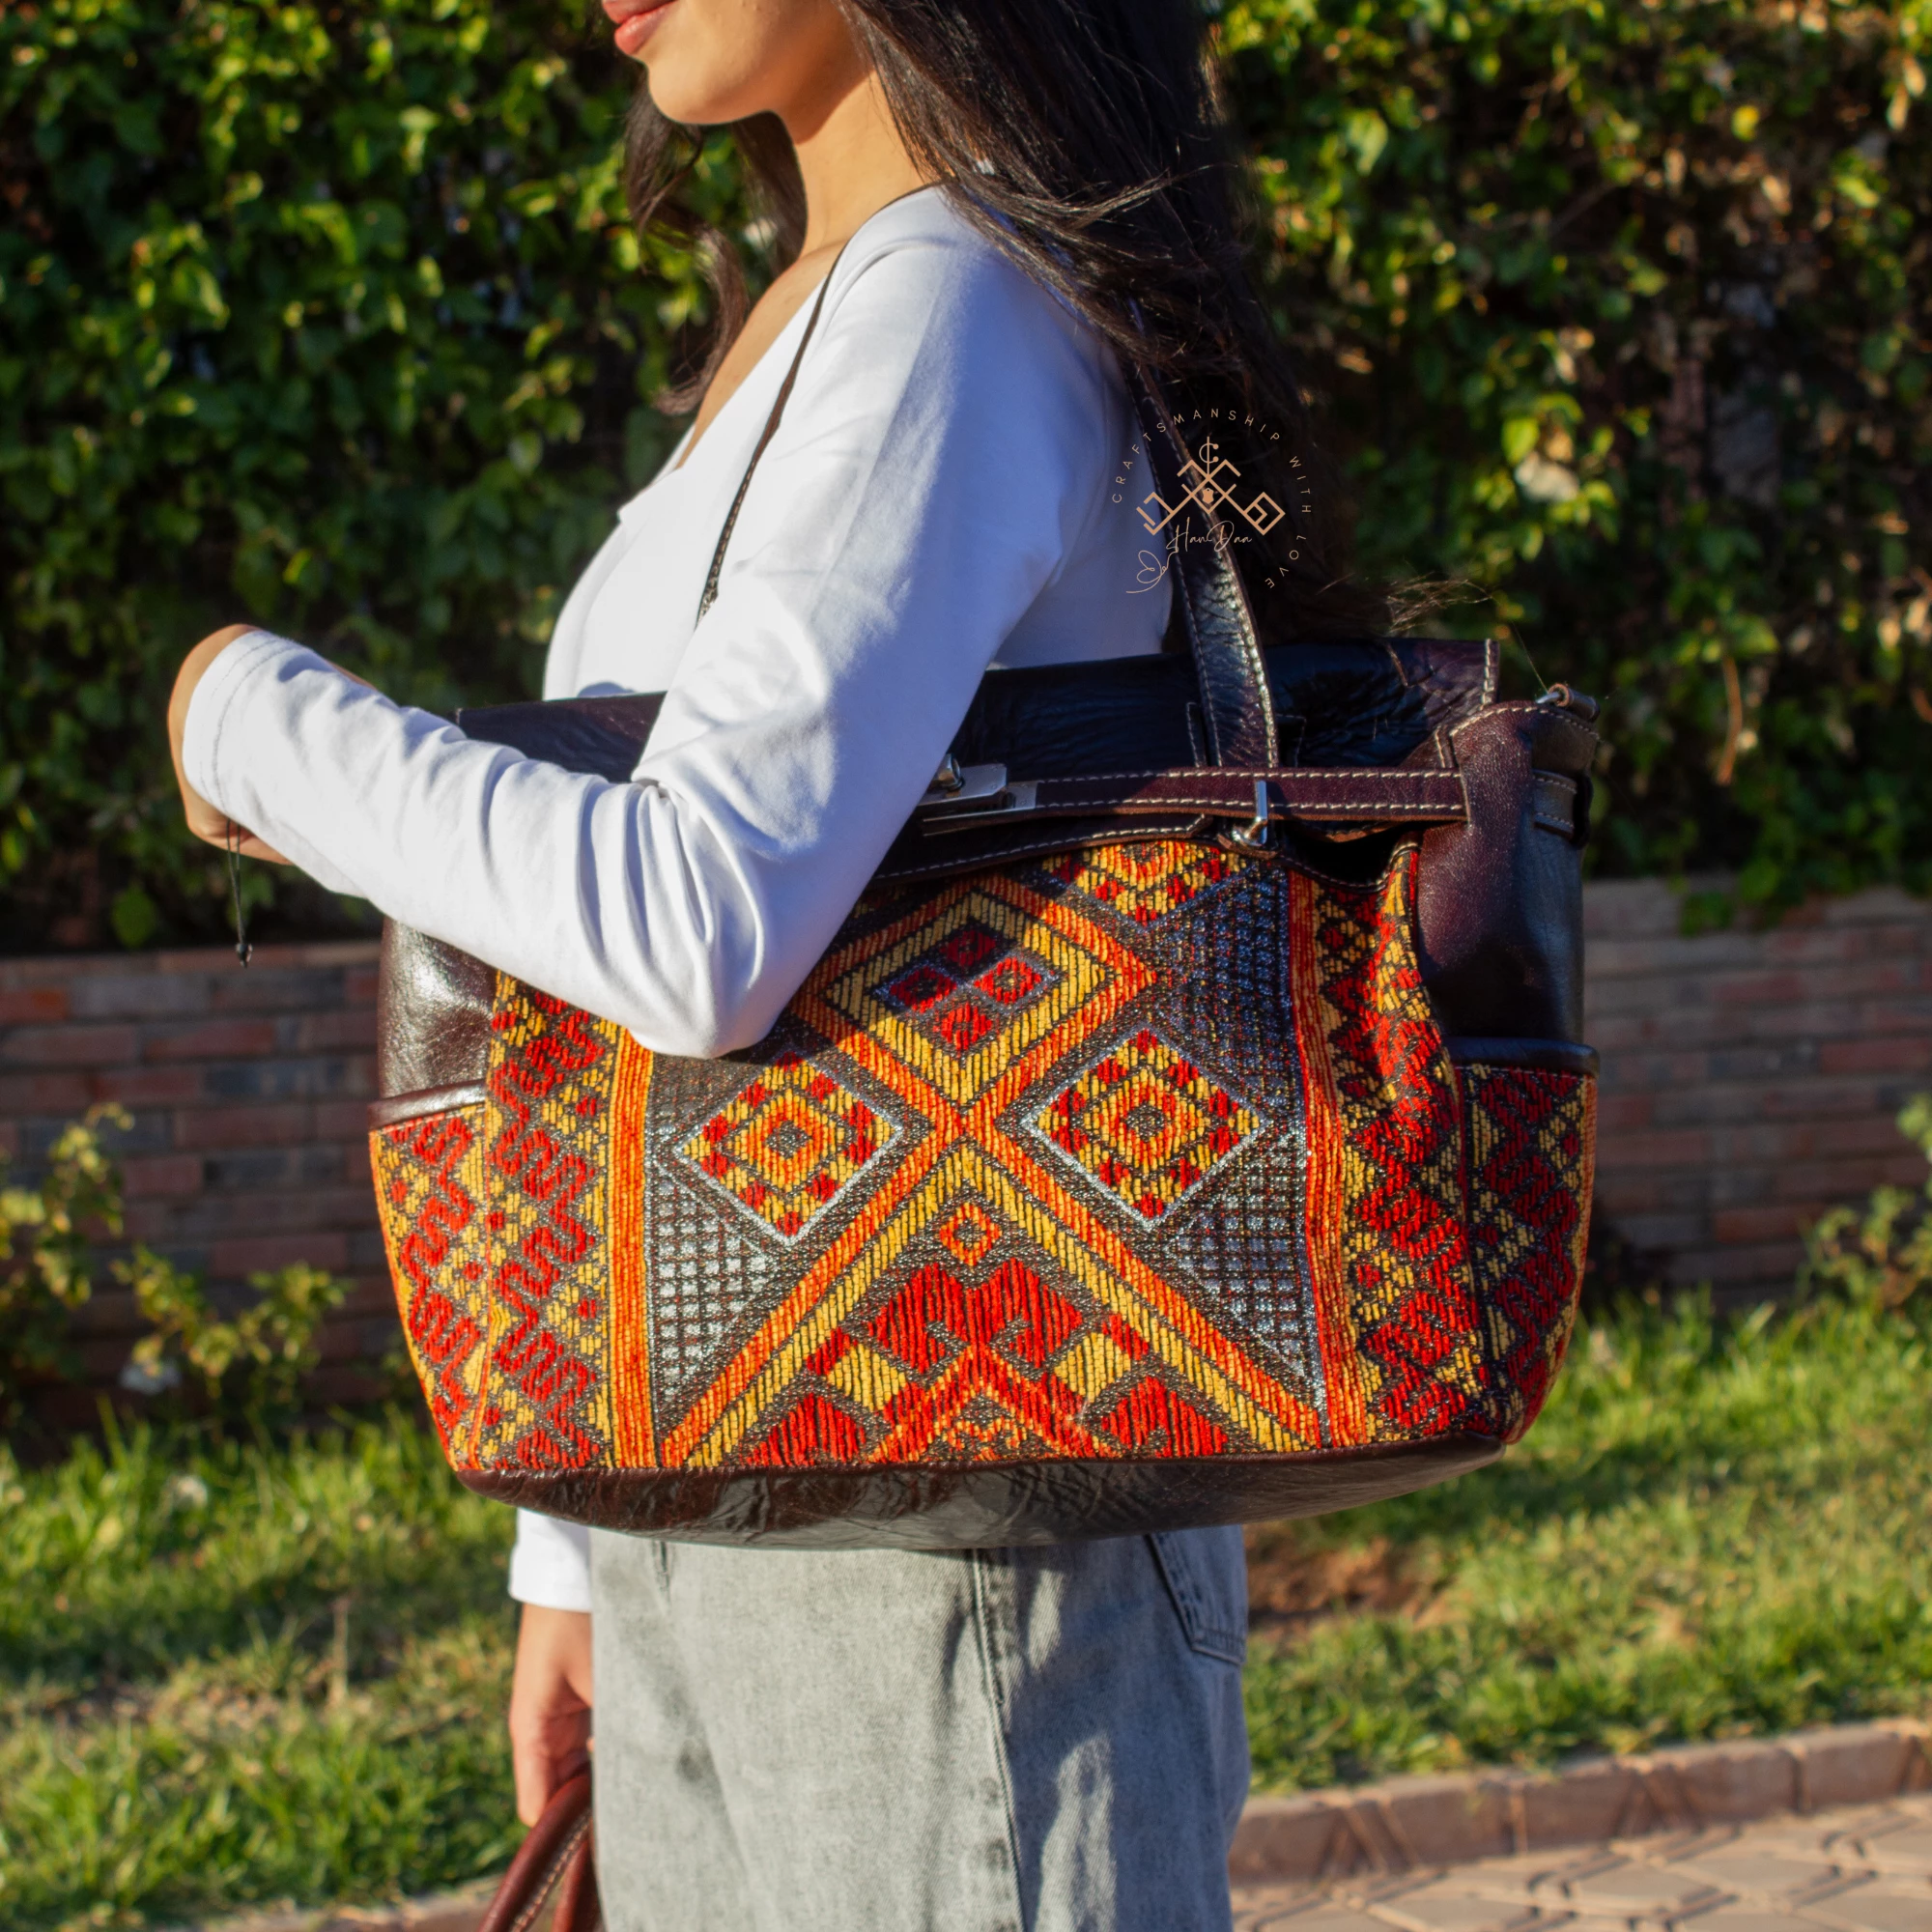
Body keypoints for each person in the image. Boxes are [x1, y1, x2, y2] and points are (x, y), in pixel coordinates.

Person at [167, 1, 1357, 1923]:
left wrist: (248, 721)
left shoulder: (956, 301)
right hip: (743, 1480)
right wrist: (582, 1560)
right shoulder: (833, 304)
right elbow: (631, 1030)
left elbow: (691, 917)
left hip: (952, 1522)